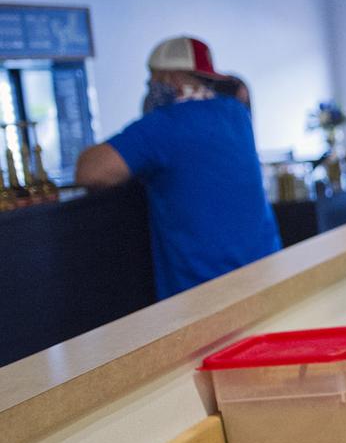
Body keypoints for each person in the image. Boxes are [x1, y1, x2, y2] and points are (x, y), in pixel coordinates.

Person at [75, 36, 281, 299]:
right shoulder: (236, 114)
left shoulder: (164, 126)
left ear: (170, 78)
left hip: (205, 290)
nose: (150, 86)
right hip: (265, 272)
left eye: (153, 78)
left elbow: (90, 172)